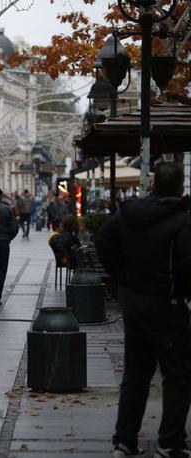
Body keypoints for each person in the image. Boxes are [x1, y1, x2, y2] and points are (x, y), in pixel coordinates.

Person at [95, 162, 191, 458]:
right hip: (168, 305)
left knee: (136, 375)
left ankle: (124, 441)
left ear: (152, 185)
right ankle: (170, 441)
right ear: (180, 187)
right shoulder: (183, 219)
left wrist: (121, 275)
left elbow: (102, 239)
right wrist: (181, 292)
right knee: (178, 374)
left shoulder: (129, 213)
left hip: (134, 302)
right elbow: (187, 263)